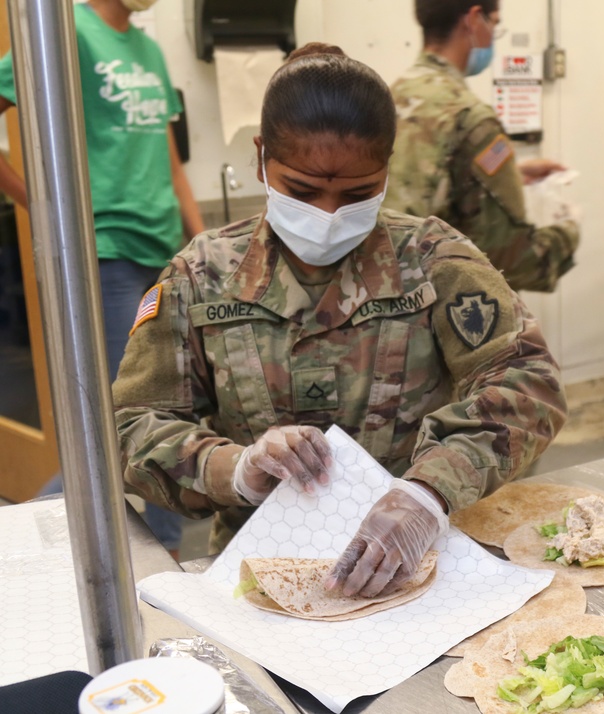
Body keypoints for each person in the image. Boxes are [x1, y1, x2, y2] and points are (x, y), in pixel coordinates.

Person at [112, 43, 567, 597]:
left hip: (422, 565)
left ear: (386, 169)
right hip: (260, 573)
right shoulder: (200, 276)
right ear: (261, 158)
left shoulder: (432, 260)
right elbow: (132, 426)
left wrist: (428, 493)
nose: (327, 215)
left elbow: (528, 383)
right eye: (302, 190)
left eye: (357, 193)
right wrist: (234, 468)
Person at [0, 0, 203, 559]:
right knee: (116, 425)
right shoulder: (69, 36)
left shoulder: (149, 50)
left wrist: (202, 240)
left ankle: (163, 557)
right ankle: (23, 545)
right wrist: (43, 206)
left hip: (163, 254)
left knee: (172, 408)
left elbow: (171, 162)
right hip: (106, 252)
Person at [383, 0, 579, 293]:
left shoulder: (388, 98)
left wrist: (512, 173)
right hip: (444, 318)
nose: (493, 35)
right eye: (495, 24)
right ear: (474, 20)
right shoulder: (471, 119)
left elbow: (424, 179)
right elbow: (511, 260)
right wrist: (569, 229)